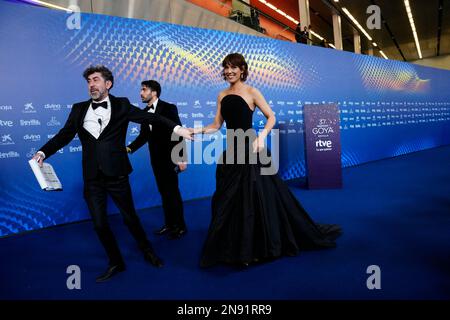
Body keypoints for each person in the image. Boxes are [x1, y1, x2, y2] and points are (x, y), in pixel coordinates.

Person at [31, 65, 193, 282]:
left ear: (108, 84)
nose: (91, 84)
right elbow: (64, 135)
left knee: (130, 218)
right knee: (99, 224)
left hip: (117, 174)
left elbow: (152, 120)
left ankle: (148, 251)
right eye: (89, 81)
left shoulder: (122, 105)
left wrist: (177, 129)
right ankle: (116, 261)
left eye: (96, 80)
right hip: (92, 178)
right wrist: (43, 152)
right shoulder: (78, 109)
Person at [192, 53, 342, 268]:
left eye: (233, 67)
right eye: (226, 67)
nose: (229, 71)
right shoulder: (222, 95)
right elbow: (216, 125)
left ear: (242, 70)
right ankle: (233, 244)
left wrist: (261, 137)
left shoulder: (252, 92)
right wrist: (195, 131)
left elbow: (271, 116)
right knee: (229, 198)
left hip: (251, 147)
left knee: (254, 197)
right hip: (232, 150)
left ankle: (254, 247)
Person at [127, 80, 187, 239]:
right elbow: (144, 136)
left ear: (154, 92)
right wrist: (129, 148)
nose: (141, 93)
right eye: (141, 90)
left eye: (144, 90)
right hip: (156, 159)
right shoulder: (144, 112)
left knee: (173, 192)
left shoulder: (168, 108)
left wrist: (181, 158)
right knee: (164, 192)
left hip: (171, 158)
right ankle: (169, 224)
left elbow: (178, 132)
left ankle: (180, 226)